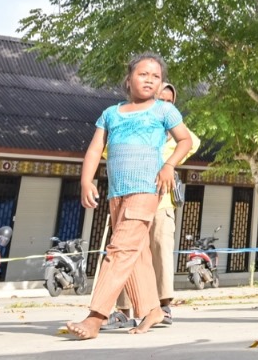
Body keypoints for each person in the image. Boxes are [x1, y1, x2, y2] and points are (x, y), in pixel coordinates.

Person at [64, 54, 193, 340]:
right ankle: (151, 309)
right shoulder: (111, 113)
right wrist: (87, 180)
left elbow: (185, 140)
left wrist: (169, 165)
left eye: (155, 76)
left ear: (161, 84)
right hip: (116, 193)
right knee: (136, 254)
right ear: (128, 78)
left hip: (146, 190)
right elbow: (96, 149)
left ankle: (96, 316)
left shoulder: (163, 111)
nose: (149, 79)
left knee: (119, 250)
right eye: (143, 74)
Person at [104, 82, 200, 331]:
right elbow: (108, 151)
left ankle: (163, 306)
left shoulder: (172, 131)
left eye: (170, 102)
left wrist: (168, 155)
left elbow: (191, 142)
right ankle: (123, 310)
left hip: (161, 202)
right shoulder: (129, 124)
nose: (165, 105)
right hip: (130, 198)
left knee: (160, 251)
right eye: (160, 100)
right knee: (127, 253)